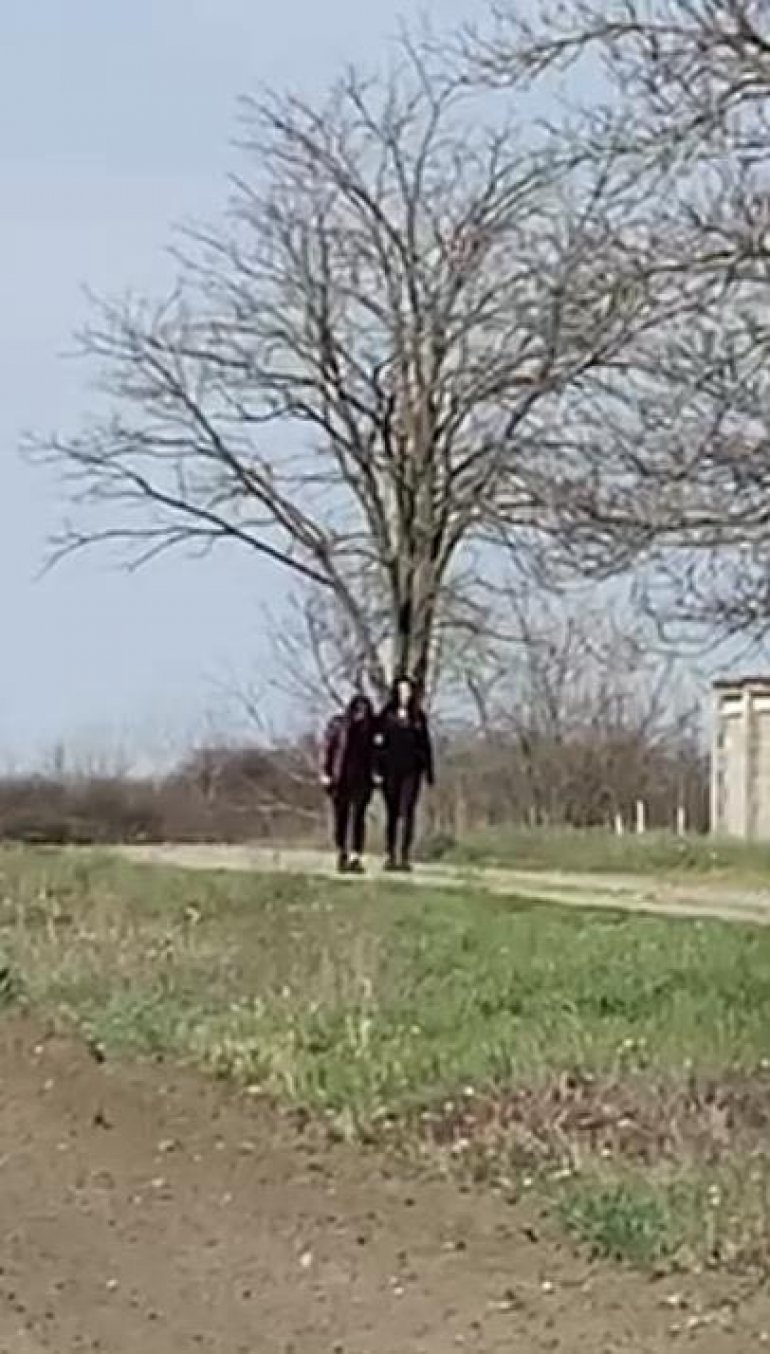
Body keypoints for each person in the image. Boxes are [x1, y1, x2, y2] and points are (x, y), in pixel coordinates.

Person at [376, 675, 435, 872]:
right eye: (401, 691)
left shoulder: (418, 717)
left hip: (412, 771)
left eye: (408, 691)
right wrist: (376, 770)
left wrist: (429, 771)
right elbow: (377, 746)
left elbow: (425, 745)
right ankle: (390, 854)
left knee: (407, 811)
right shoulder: (385, 715)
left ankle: (404, 855)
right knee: (392, 813)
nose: (405, 695)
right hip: (390, 771)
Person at [319, 693, 377, 874]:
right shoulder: (338, 725)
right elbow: (327, 749)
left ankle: (356, 856)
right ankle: (342, 851)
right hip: (341, 778)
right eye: (358, 711)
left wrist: (377, 773)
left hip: (363, 779)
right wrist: (325, 772)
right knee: (341, 817)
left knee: (358, 817)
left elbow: (377, 754)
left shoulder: (372, 729)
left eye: (365, 711)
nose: (361, 715)